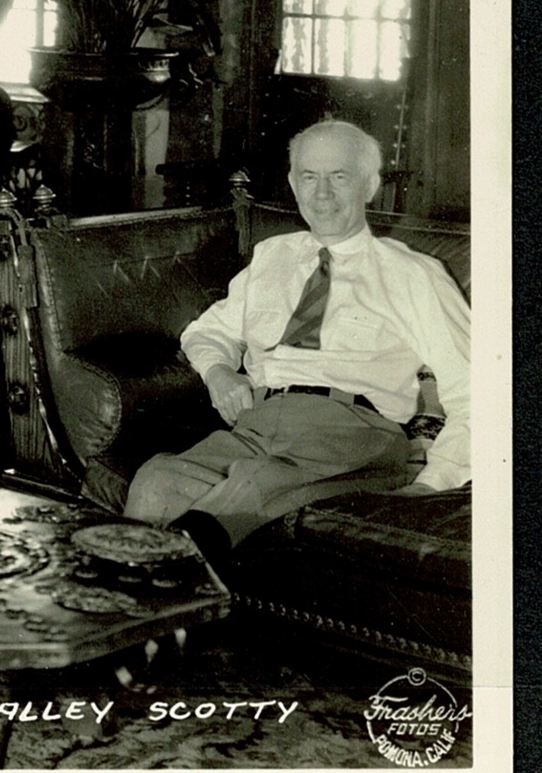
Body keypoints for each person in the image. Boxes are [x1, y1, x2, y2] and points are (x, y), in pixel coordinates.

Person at [124, 120, 471, 564]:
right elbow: (207, 331)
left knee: (248, 489)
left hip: (354, 434)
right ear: (292, 183)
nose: (322, 194)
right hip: (259, 424)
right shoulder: (273, 257)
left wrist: (432, 482)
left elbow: (479, 389)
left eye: (339, 177)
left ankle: (177, 583)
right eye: (309, 177)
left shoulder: (413, 275)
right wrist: (220, 373)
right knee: (156, 480)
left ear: (371, 185)